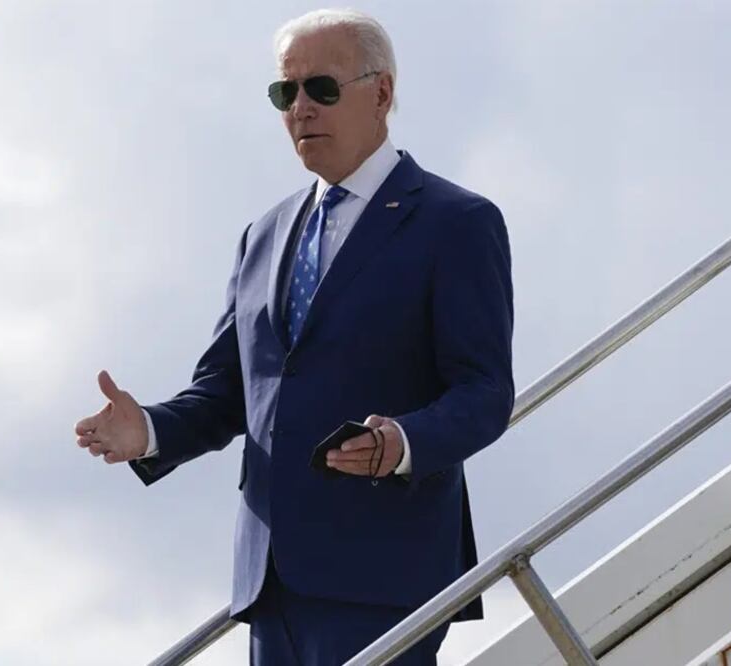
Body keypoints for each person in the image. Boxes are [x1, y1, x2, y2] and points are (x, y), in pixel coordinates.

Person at [73, 8, 514, 664]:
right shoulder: (264, 234)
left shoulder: (456, 223)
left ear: (381, 93)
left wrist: (400, 444)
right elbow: (228, 393)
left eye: (322, 88)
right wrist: (151, 432)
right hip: (271, 580)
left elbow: (484, 393)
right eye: (286, 92)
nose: (301, 108)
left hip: (385, 573)